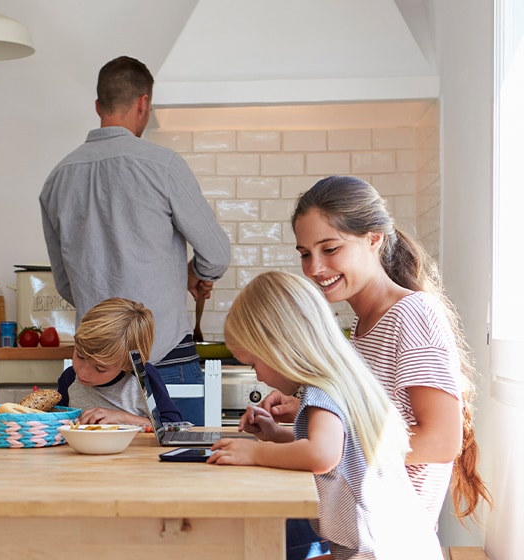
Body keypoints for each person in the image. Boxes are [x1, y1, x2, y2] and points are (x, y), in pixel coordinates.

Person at [258, 176, 491, 527]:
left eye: (330, 249)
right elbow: (370, 433)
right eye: (306, 254)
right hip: (357, 531)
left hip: (388, 540)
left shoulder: (412, 315)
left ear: (374, 239)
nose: (315, 268)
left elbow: (440, 441)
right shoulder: (364, 327)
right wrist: (294, 429)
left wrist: (323, 443)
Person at [40, 55, 231, 426]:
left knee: (86, 472)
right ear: (144, 102)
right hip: (166, 359)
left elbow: (66, 285)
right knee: (176, 464)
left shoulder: (57, 179)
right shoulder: (163, 165)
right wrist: (192, 273)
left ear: (98, 106)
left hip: (93, 369)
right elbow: (217, 256)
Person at [209, 271, 443, 560]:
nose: (256, 374)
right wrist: (276, 434)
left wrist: (254, 453)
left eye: (254, 362)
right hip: (397, 546)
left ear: (281, 348)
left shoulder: (323, 390)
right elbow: (343, 446)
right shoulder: (343, 380)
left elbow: (322, 454)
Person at [56, 297, 181, 427]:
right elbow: (56, 424)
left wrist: (124, 418)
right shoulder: (69, 379)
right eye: (80, 356)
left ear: (127, 365)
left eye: (100, 368)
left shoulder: (143, 378)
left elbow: (174, 426)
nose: (83, 371)